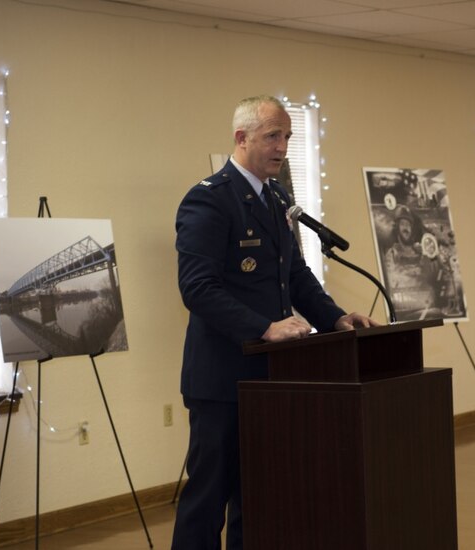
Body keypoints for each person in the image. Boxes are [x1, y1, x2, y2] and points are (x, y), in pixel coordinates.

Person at [172, 95, 377, 550]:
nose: (282, 146)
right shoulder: (209, 200)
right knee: (208, 501)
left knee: (259, 499)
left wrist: (337, 318)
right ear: (241, 138)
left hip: (272, 379)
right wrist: (265, 327)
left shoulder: (278, 198)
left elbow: (297, 277)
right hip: (222, 380)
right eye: (273, 136)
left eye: (287, 136)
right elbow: (198, 288)